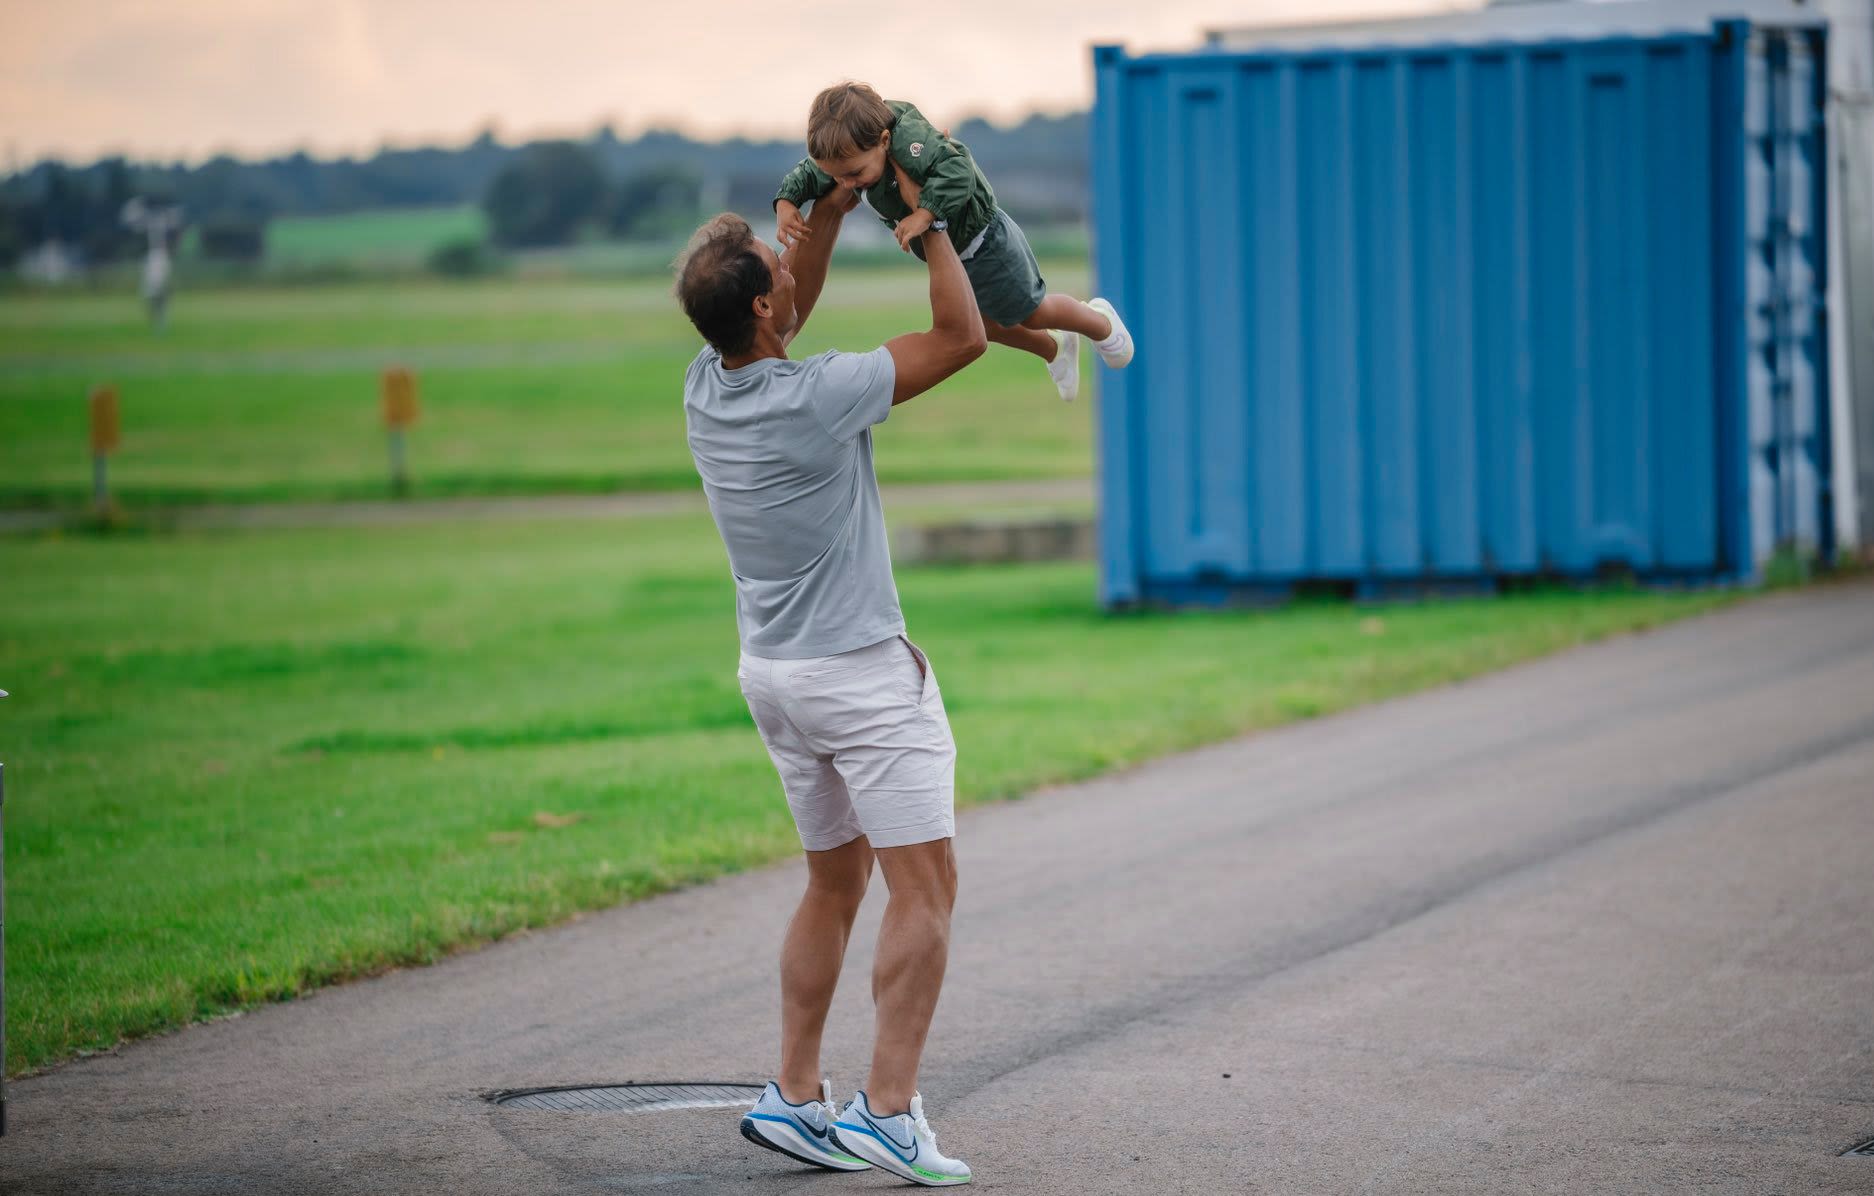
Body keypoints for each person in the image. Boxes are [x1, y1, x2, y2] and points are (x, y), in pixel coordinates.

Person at [675, 161, 980, 1187]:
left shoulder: (705, 383)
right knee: (924, 889)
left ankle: (797, 1095)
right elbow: (960, 337)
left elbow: (781, 309)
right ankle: (887, 1112)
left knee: (832, 878)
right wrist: (922, 225)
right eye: (775, 267)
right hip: (856, 676)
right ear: (763, 307)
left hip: (774, 675)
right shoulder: (818, 395)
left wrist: (825, 212)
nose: (787, 274)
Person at [774, 81, 1133, 403]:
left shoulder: (911, 144)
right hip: (955, 254)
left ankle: (1098, 321)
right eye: (838, 176)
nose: (846, 184)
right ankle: (1054, 348)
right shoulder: (850, 153)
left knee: (1033, 311)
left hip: (986, 240)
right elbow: (812, 172)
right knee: (978, 323)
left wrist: (924, 213)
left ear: (884, 141)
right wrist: (788, 201)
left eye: (854, 174)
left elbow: (958, 169)